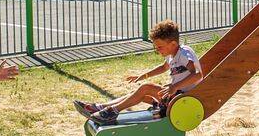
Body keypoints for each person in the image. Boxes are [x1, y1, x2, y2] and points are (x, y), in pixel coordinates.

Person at [74, 19, 202, 125]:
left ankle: (111, 112)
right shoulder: (171, 56)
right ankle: (101, 107)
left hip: (184, 100)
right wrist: (143, 75)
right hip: (175, 97)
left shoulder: (184, 53)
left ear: (173, 44)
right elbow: (163, 68)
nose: (157, 50)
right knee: (137, 94)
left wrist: (175, 86)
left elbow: (197, 75)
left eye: (160, 47)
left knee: (146, 88)